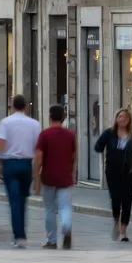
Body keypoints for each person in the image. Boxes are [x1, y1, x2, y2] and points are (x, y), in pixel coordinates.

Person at [0, 94, 42, 248]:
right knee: (22, 200)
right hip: (26, 164)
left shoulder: (5, 122)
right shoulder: (35, 124)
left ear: (12, 106)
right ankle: (22, 233)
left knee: (14, 201)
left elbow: (0, 144)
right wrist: (36, 171)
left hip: (10, 164)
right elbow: (38, 147)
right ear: (25, 107)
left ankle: (19, 236)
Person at [34, 104, 77, 249]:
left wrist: (36, 176)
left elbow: (39, 158)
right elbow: (74, 156)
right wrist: (72, 172)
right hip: (65, 177)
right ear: (63, 117)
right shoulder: (70, 135)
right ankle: (66, 227)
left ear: (50, 116)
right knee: (65, 206)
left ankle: (52, 241)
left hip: (49, 177)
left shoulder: (44, 134)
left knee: (50, 209)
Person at [94, 108, 132, 241]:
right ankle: (116, 221)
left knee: (127, 200)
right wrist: (103, 150)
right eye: (120, 116)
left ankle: (124, 230)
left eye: (125, 117)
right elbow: (98, 146)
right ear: (116, 118)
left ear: (129, 120)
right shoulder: (109, 133)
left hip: (130, 172)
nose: (123, 119)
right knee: (115, 199)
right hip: (113, 172)